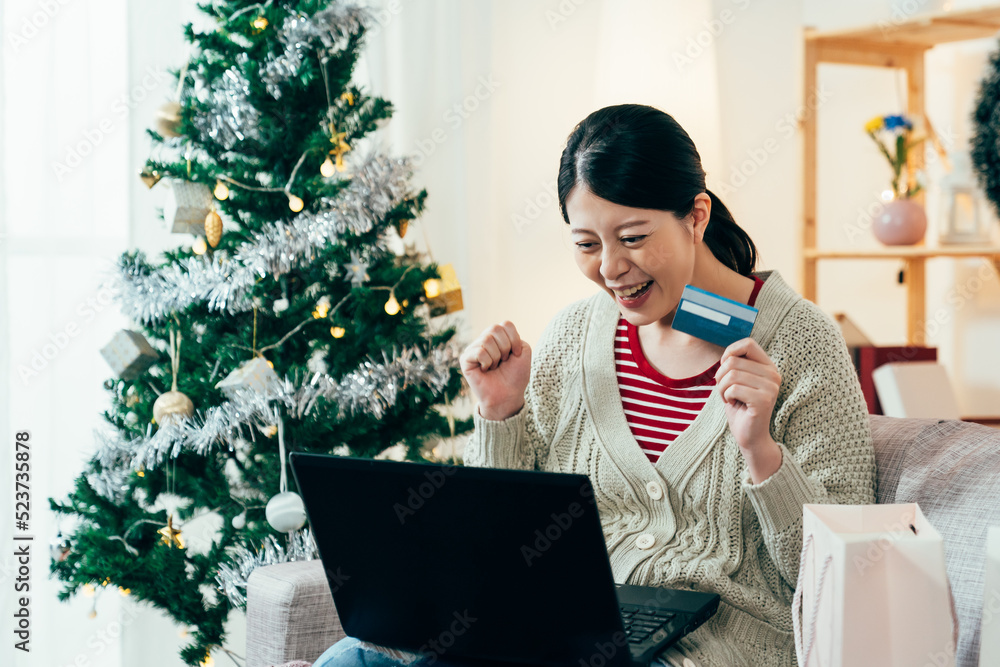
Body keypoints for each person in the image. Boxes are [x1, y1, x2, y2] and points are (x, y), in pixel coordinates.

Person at [314, 104, 876, 667]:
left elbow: (843, 576)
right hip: (553, 633)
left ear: (696, 215)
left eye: (632, 238)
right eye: (586, 245)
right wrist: (501, 415)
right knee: (351, 661)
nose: (611, 268)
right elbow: (497, 552)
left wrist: (762, 454)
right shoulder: (573, 334)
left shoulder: (803, 343)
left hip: (709, 650)